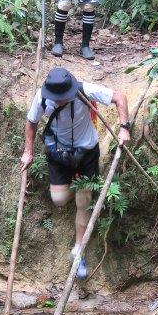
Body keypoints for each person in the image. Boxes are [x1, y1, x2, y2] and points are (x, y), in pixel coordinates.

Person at [20, 67, 130, 281]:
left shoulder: (83, 90)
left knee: (83, 199)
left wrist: (124, 127)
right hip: (58, 152)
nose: (59, 101)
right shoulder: (42, 98)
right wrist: (28, 152)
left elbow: (119, 97)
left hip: (86, 151)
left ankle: (79, 251)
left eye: (62, 97)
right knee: (59, 199)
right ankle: (81, 186)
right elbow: (31, 122)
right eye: (56, 98)